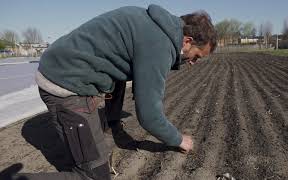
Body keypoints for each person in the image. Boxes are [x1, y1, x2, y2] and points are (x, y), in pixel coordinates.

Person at [10, 4, 217, 180]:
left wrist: (113, 122)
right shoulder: (160, 44)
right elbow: (149, 115)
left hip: (65, 70)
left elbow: (118, 75)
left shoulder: (154, 25)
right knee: (94, 175)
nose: (192, 63)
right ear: (187, 41)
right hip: (65, 84)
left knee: (101, 153)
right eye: (197, 56)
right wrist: (178, 139)